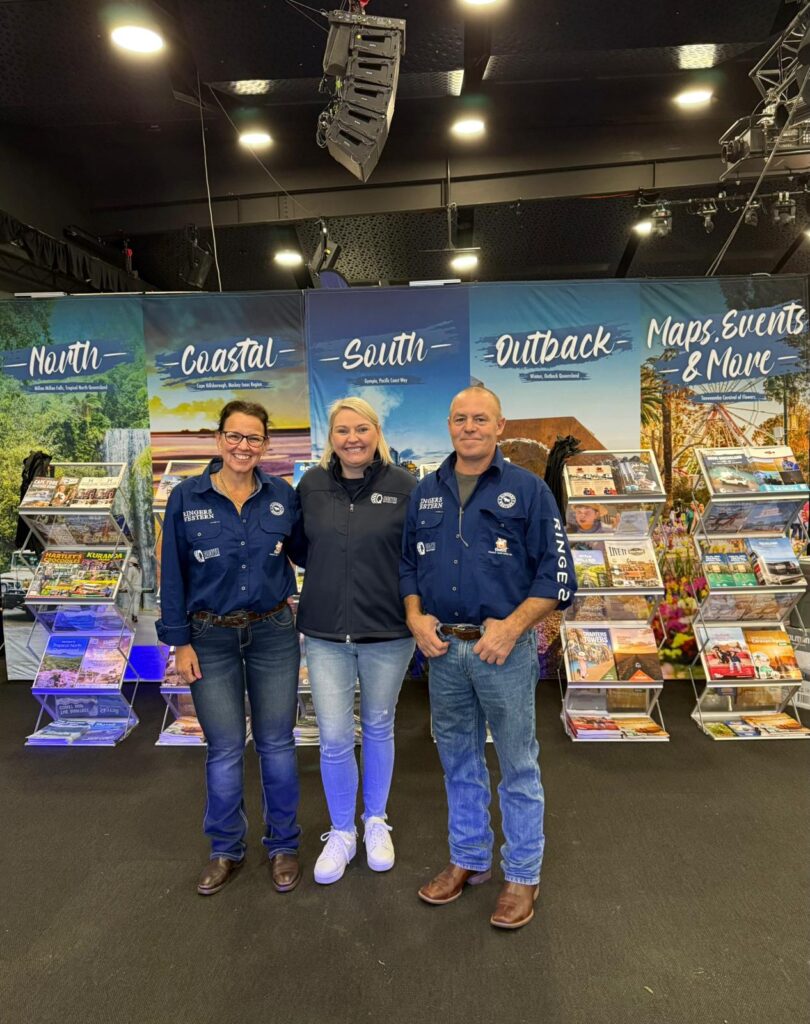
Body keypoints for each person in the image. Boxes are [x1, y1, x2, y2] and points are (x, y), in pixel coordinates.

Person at [400, 385, 575, 930]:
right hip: (443, 651)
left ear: (500, 427)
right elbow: (408, 566)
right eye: (460, 418)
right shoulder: (425, 491)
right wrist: (414, 616)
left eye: (481, 418)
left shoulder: (529, 491)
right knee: (457, 759)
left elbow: (557, 577)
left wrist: (514, 626)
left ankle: (522, 874)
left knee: (518, 764)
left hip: (503, 652)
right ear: (449, 426)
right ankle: (468, 858)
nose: (469, 427)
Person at [156, 401, 302, 897]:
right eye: (235, 436)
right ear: (219, 440)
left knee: (277, 744)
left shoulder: (282, 495)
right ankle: (225, 848)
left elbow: (308, 551)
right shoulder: (185, 497)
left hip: (273, 633)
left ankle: (283, 844)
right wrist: (178, 643)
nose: (244, 446)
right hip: (208, 638)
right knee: (222, 749)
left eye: (254, 438)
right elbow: (171, 574)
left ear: (266, 446)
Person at [293, 397, 416, 884]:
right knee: (336, 736)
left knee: (380, 726)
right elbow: (302, 551)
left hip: (387, 631)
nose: (352, 439)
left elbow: (414, 556)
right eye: (342, 430)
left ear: (377, 431)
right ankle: (342, 831)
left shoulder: (405, 486)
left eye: (361, 429)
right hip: (325, 633)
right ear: (331, 437)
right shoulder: (311, 485)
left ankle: (376, 821)